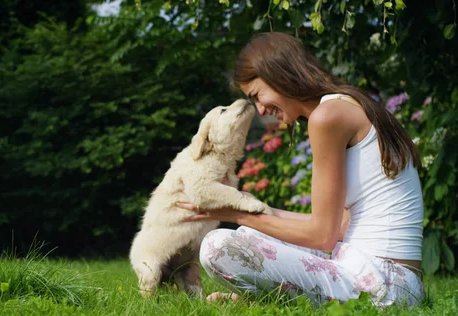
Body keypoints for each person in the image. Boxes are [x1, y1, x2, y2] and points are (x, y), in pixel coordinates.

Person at [176, 32, 424, 307]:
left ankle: (263, 299)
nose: (260, 110)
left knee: (217, 246)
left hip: (385, 284)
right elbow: (340, 227)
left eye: (257, 95)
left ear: (278, 74)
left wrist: (234, 214)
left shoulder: (327, 117)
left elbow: (322, 236)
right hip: (387, 275)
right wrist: (245, 207)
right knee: (251, 235)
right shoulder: (343, 104)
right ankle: (266, 299)